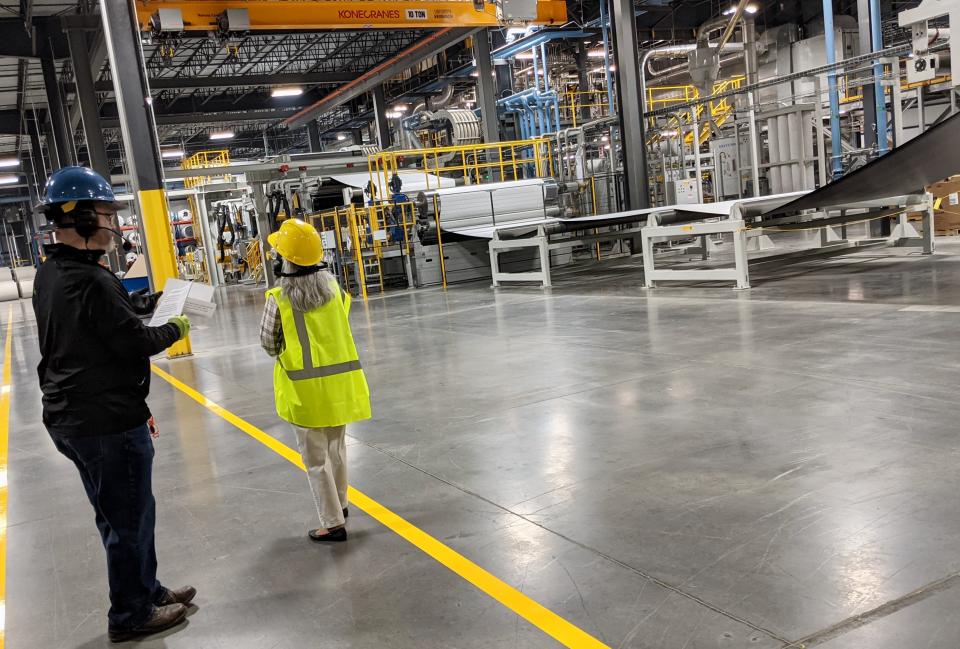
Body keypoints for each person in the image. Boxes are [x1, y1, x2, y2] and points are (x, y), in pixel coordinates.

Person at [32, 166, 196, 643]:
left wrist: (142, 304)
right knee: (128, 518)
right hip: (103, 420)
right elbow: (135, 342)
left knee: (121, 512)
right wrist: (176, 327)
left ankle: (146, 589)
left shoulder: (55, 272)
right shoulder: (91, 281)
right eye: (106, 215)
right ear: (82, 219)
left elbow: (96, 333)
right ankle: (130, 614)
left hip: (77, 415)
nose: (114, 225)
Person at [259, 219, 371, 542]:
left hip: (305, 394)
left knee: (316, 461)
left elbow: (268, 344)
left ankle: (333, 523)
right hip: (339, 389)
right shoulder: (335, 291)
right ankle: (342, 504)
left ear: (286, 261)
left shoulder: (279, 298)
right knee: (337, 450)